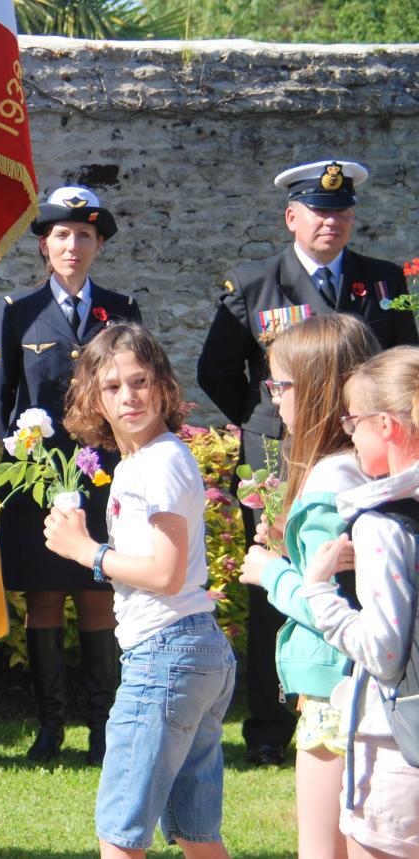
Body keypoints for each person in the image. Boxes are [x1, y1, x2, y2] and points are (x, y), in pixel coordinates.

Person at [198, 159, 419, 766]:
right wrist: (266, 416)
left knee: (365, 568)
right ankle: (271, 723)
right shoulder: (253, 282)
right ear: (292, 217)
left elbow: (405, 360)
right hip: (280, 450)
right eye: (320, 212)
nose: (333, 221)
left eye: (343, 210)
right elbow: (215, 369)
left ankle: (363, 689)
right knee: (284, 571)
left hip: (362, 447)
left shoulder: (380, 279)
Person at [43, 323, 234, 859]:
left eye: (140, 380)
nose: (128, 396)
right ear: (92, 398)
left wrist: (88, 551)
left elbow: (167, 573)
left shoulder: (161, 461)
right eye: (112, 386)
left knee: (121, 834)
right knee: (197, 832)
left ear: (162, 387)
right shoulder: (142, 462)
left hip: (166, 654)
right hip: (190, 652)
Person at [0, 185, 141, 764]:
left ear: (99, 244)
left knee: (98, 596)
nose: (74, 245)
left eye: (86, 235)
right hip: (39, 478)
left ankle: (101, 726)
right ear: (45, 245)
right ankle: (49, 728)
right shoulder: (16, 312)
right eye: (62, 235)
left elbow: (136, 385)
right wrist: (26, 455)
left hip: (103, 475)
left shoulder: (120, 311)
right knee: (45, 599)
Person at [237, 314, 380, 859]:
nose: (274, 399)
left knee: (321, 847)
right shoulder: (366, 469)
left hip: (333, 685)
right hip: (370, 684)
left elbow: (334, 608)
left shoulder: (328, 480)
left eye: (281, 384)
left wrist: (270, 570)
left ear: (318, 388)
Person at [301, 346, 419, 859]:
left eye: (354, 421)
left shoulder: (382, 524)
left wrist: (320, 591)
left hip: (399, 746)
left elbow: (386, 652)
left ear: (387, 426)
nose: (348, 434)